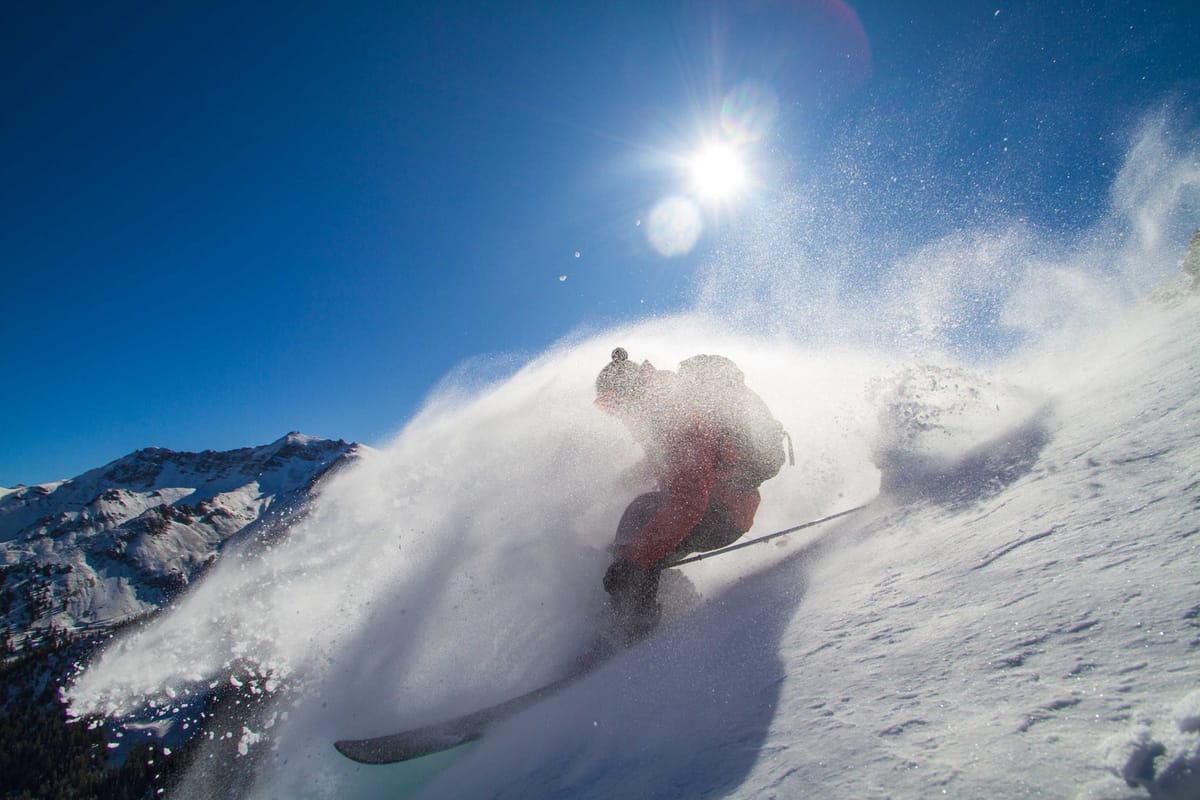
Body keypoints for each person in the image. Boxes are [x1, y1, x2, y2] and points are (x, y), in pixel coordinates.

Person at [593, 346, 785, 642]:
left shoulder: (676, 413)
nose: (615, 414)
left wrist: (633, 560)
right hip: (715, 509)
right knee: (632, 535)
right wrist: (622, 482)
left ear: (629, 392)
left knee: (642, 514)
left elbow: (690, 501)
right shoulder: (661, 411)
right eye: (606, 407)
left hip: (723, 514)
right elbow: (675, 463)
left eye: (612, 403)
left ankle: (635, 625)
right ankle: (647, 601)